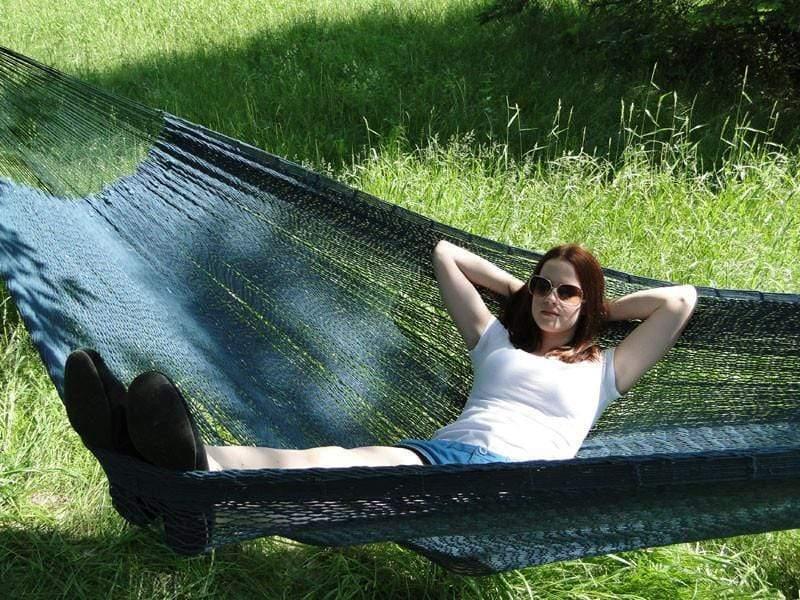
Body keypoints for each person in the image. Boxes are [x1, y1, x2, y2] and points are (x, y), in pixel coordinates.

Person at [61, 240, 698, 474]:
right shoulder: (496, 340)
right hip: (444, 454)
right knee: (337, 462)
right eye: (543, 284)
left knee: (343, 469)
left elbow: (680, 302)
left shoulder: (604, 372)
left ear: (585, 302)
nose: (550, 298)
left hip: (513, 481)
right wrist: (516, 289)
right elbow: (447, 254)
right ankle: (166, 452)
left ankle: (181, 457)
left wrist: (598, 311)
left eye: (566, 291)